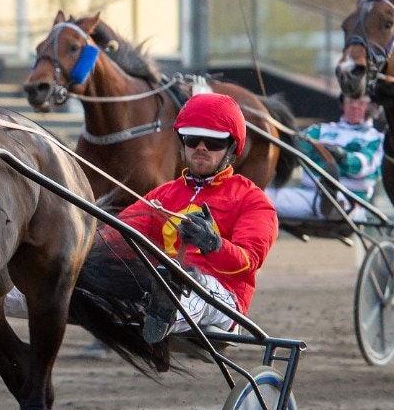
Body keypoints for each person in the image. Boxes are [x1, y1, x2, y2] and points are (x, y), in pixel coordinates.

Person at [108, 91, 280, 335]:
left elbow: (248, 263)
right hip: (161, 280)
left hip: (221, 294)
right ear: (182, 142)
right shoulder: (163, 195)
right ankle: (159, 305)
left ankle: (166, 312)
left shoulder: (252, 199)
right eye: (193, 139)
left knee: (190, 284)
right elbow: (117, 234)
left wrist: (212, 244)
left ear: (231, 147)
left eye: (213, 142)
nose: (201, 147)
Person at [267, 93, 385, 224]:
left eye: (361, 103)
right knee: (260, 200)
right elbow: (295, 149)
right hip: (309, 196)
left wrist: (342, 156)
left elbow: (361, 167)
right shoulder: (320, 130)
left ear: (371, 107)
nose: (354, 106)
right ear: (343, 104)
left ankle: (332, 205)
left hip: (350, 200)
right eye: (350, 101)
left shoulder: (376, 139)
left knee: (337, 204)